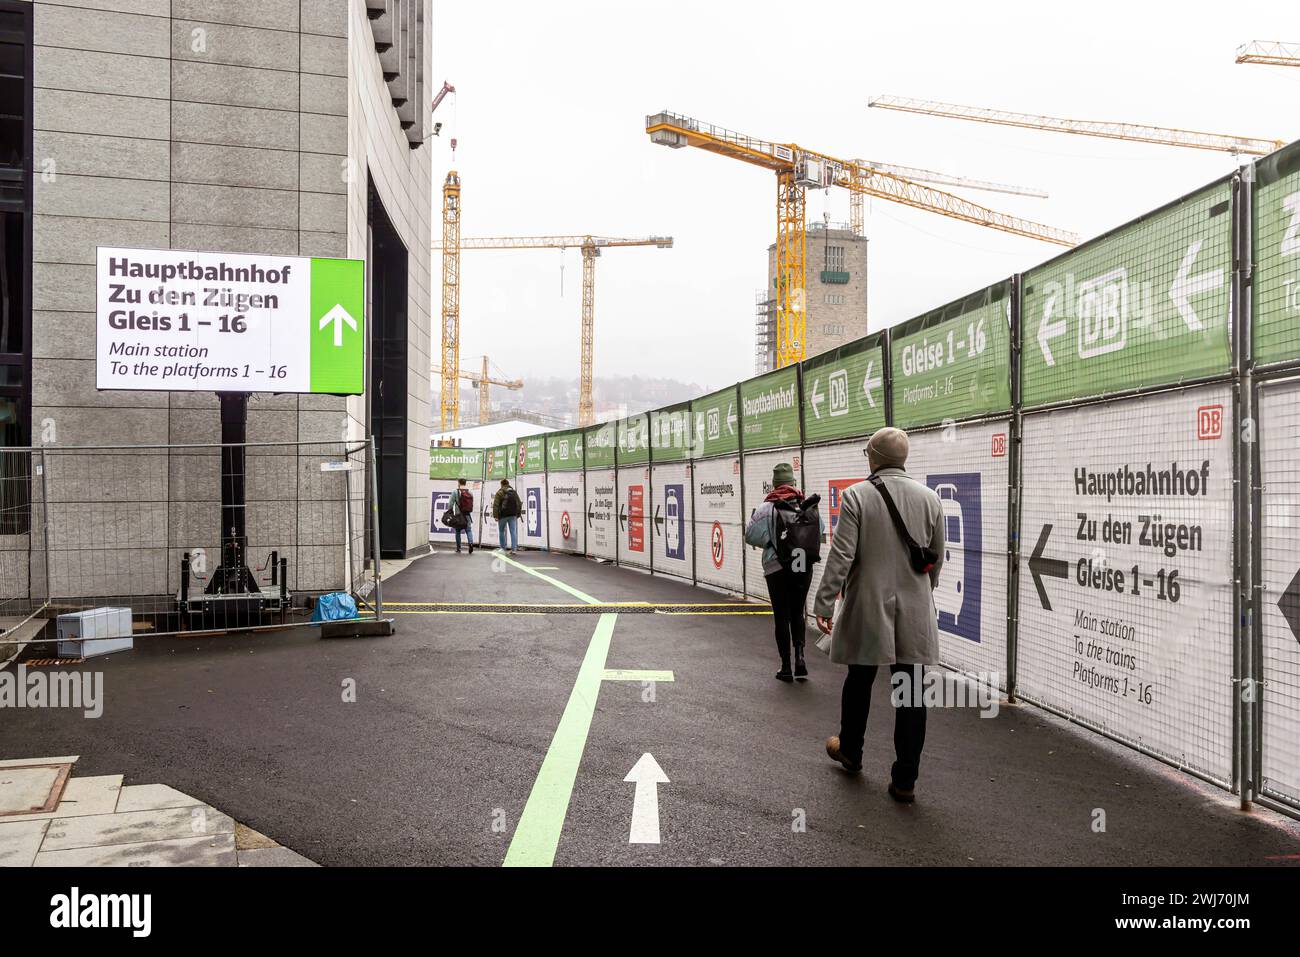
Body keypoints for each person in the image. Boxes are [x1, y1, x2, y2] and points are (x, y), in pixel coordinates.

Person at [813, 426, 945, 804]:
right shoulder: (930, 498)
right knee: (911, 693)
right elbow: (934, 559)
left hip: (868, 606)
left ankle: (851, 751)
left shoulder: (857, 496)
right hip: (915, 610)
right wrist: (921, 594)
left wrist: (825, 603)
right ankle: (905, 780)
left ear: (873, 457)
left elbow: (842, 556)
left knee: (859, 679)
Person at [744, 462, 825, 683]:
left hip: (776, 567)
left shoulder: (767, 507)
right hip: (802, 566)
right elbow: (821, 530)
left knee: (781, 615)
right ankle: (801, 659)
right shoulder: (807, 505)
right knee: (798, 611)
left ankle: (785, 667)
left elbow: (750, 535)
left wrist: (771, 541)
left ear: (774, 484)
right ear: (793, 483)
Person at [492, 478, 521, 554]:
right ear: (508, 484)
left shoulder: (500, 492)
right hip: (512, 515)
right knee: (513, 532)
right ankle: (514, 549)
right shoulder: (514, 492)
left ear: (501, 484)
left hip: (503, 515)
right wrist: (518, 514)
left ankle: (503, 548)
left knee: (501, 531)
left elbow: (496, 505)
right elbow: (519, 503)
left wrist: (495, 515)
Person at [451, 478, 475, 555]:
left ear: (458, 483)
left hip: (458, 516)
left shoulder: (455, 492)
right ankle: (470, 543)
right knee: (468, 530)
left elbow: (450, 504)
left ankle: (458, 548)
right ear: (465, 483)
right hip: (467, 515)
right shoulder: (470, 492)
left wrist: (450, 512)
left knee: (458, 531)